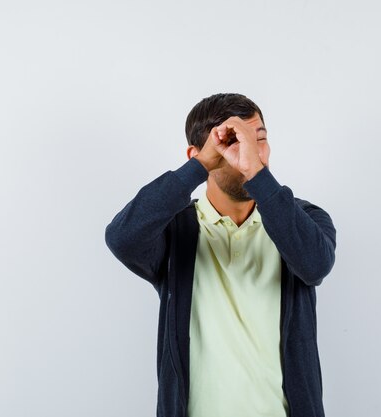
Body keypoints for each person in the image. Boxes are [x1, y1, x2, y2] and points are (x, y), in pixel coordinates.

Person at [104, 93, 337, 417]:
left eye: (259, 140)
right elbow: (122, 238)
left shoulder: (304, 219)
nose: (249, 153)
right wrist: (198, 168)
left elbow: (315, 265)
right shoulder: (174, 232)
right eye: (232, 142)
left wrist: (258, 175)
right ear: (195, 155)